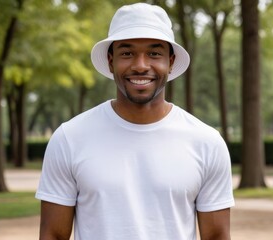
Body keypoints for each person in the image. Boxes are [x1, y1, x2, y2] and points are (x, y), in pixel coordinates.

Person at [36, 3, 235, 240]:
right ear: (111, 61)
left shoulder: (206, 142)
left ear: (170, 62)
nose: (140, 65)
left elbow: (216, 236)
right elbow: (53, 235)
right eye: (127, 53)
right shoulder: (70, 138)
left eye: (154, 53)